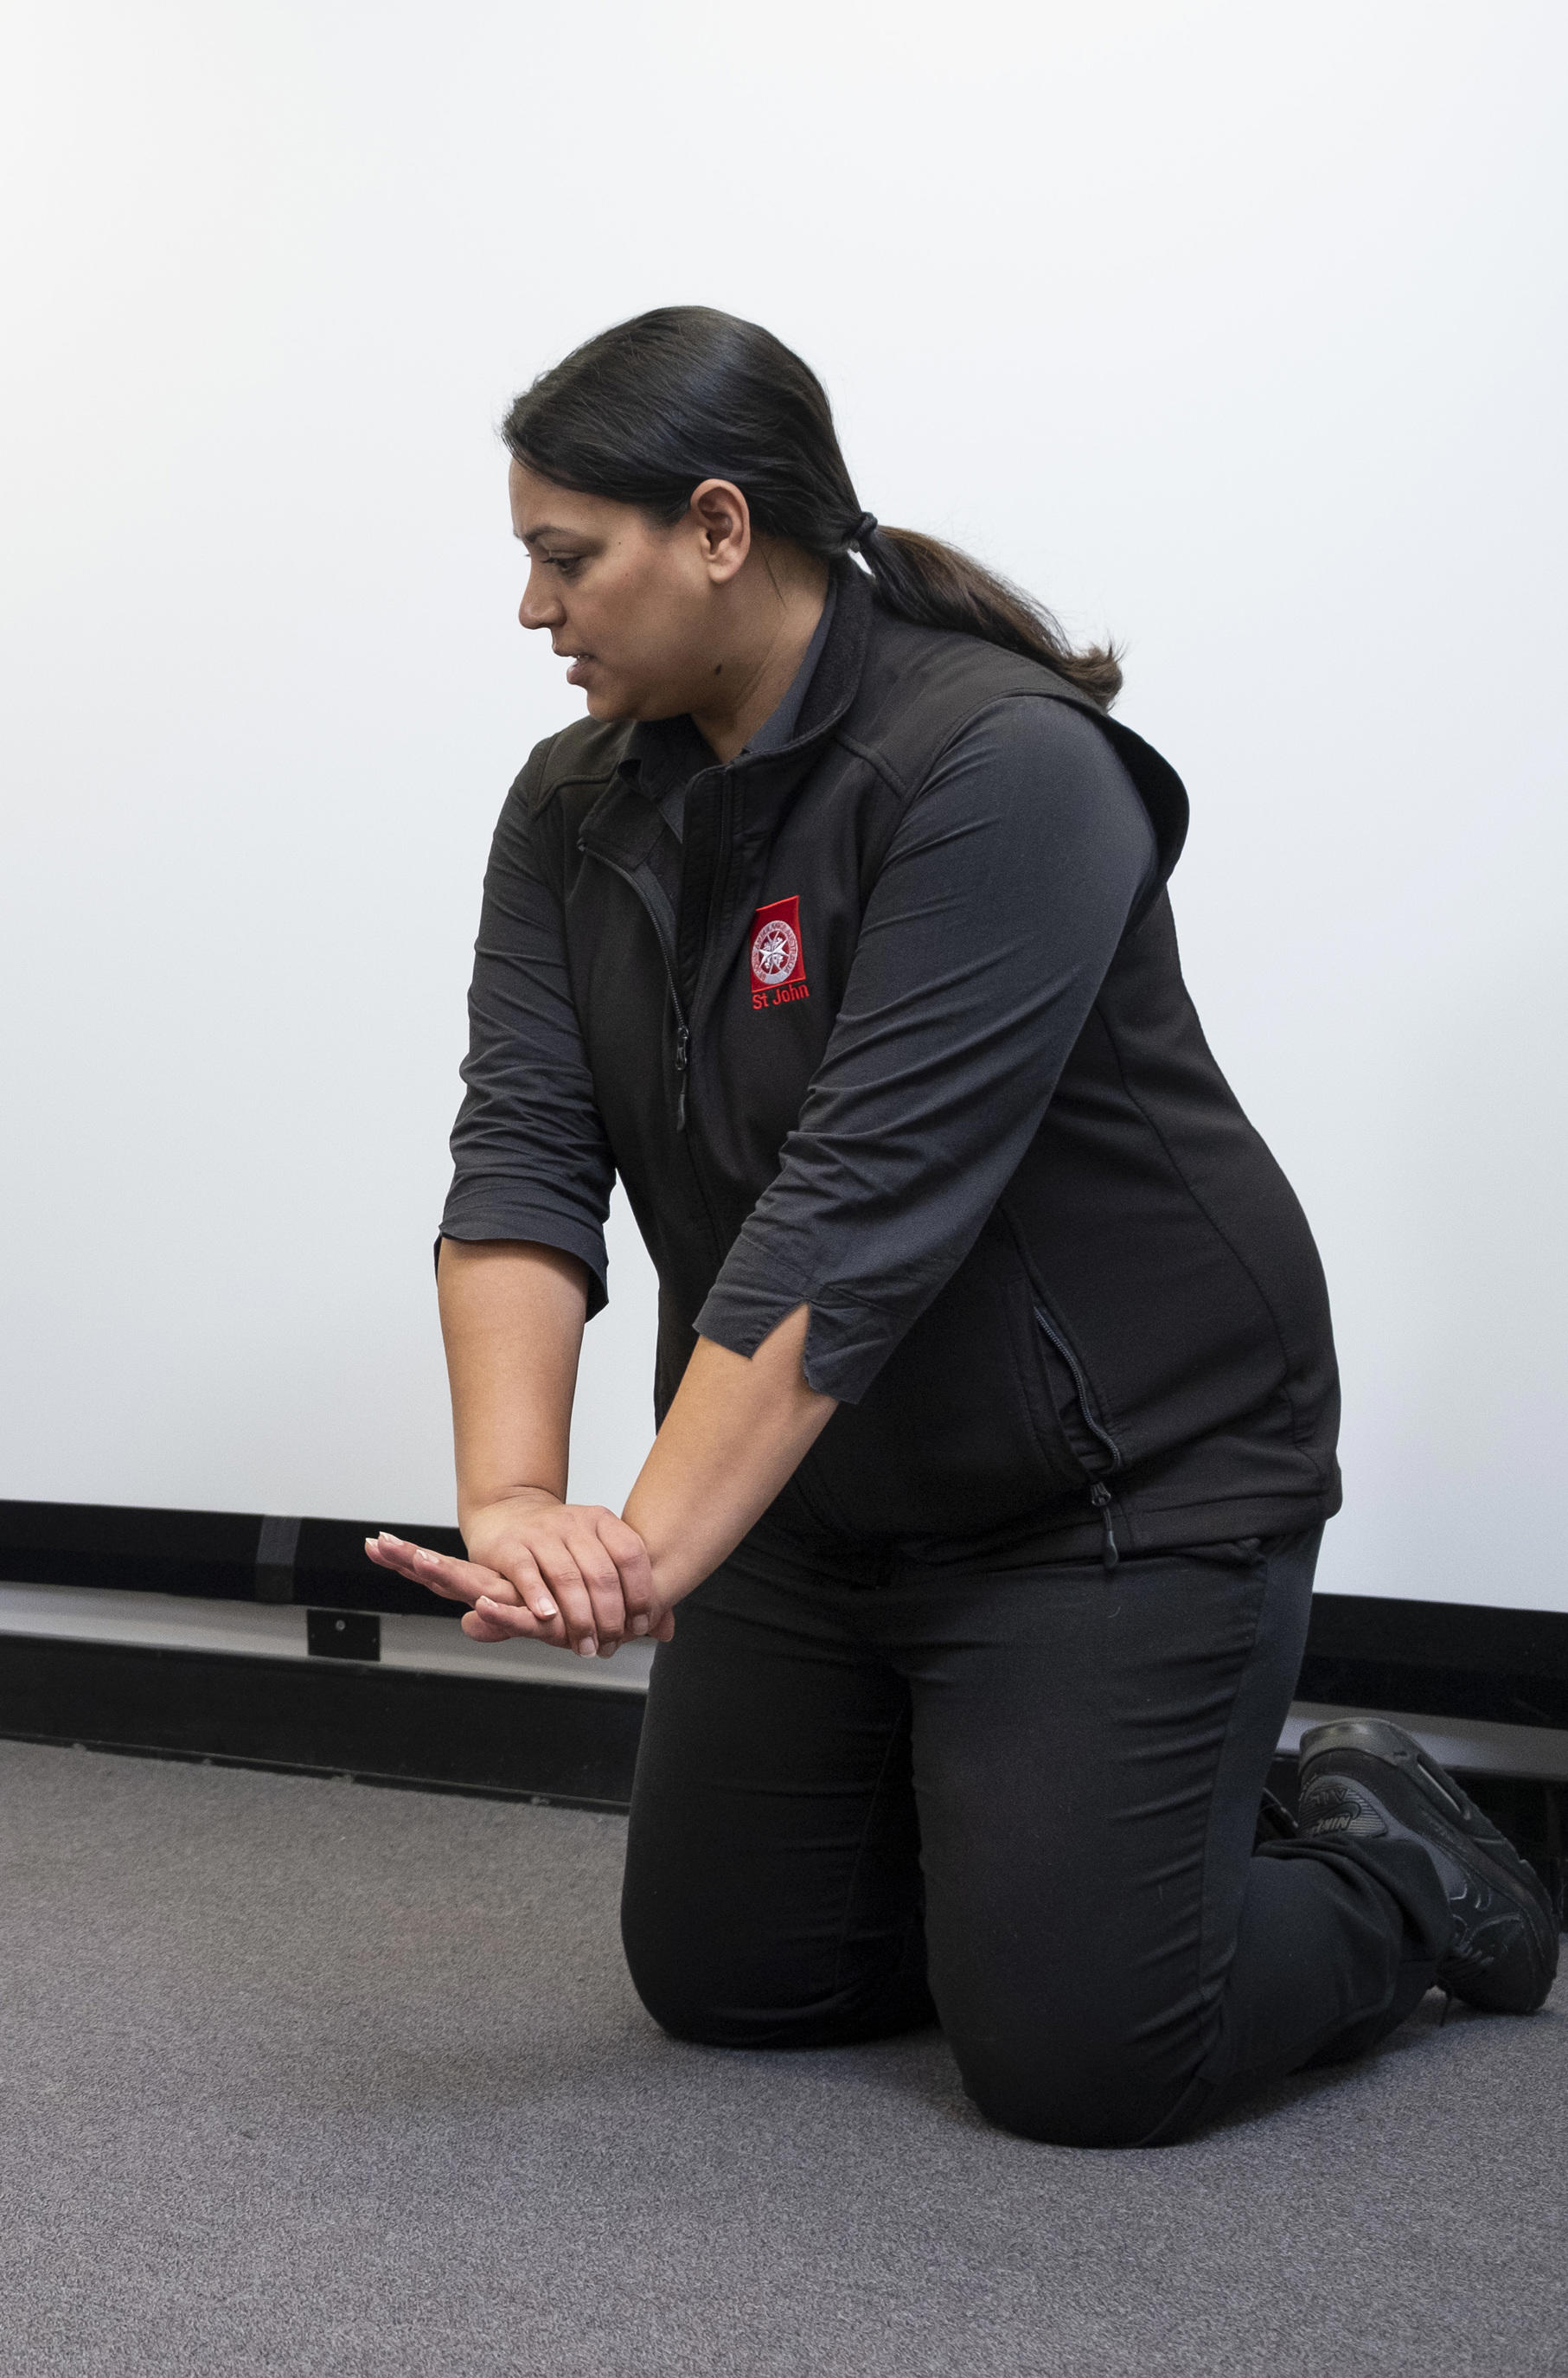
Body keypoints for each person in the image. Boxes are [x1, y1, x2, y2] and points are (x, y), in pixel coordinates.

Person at [363, 308, 1554, 2147]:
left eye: (562, 554)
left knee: (1088, 2059)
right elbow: (521, 1150)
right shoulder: (571, 806)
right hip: (821, 1493)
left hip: (1115, 1482)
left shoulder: (997, 764)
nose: (533, 609)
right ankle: (1079, 1839)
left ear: (712, 526)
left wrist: (647, 1548)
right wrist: (516, 1504)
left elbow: (856, 1209)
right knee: (733, 1982)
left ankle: (1387, 1865)